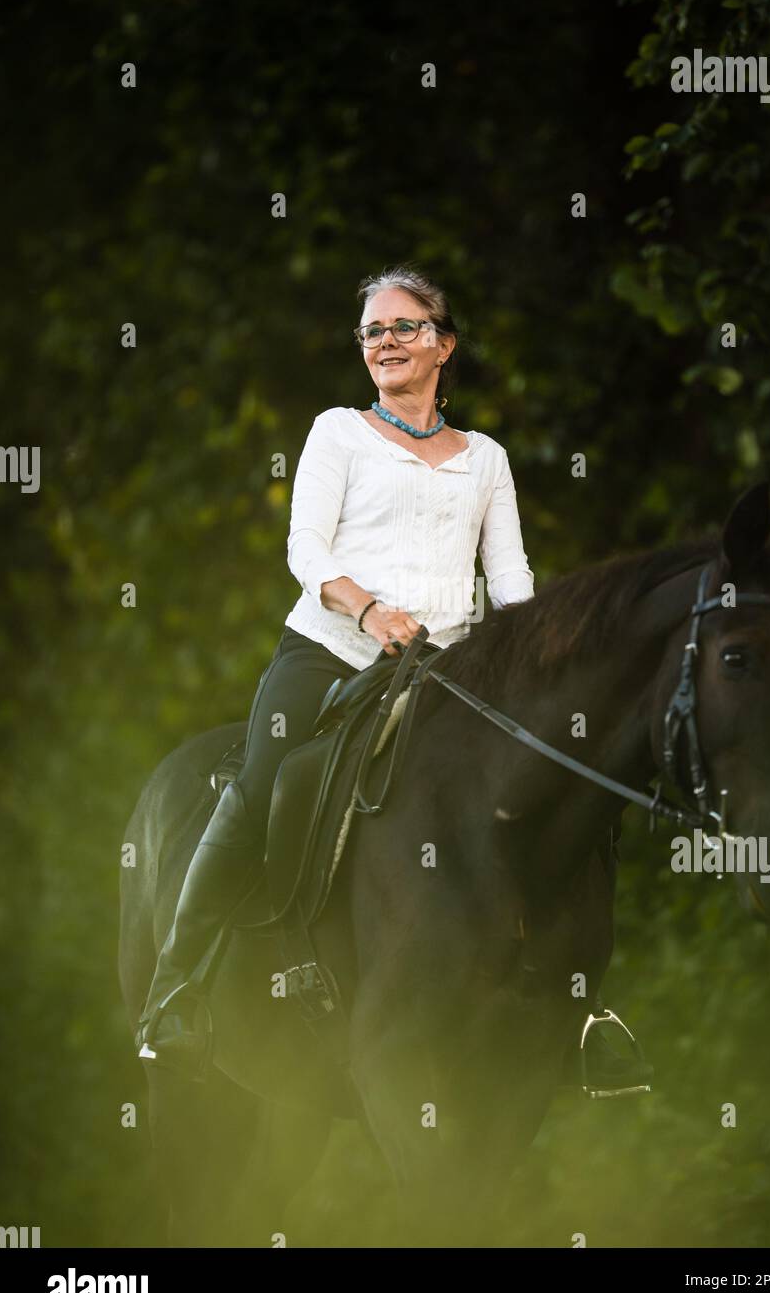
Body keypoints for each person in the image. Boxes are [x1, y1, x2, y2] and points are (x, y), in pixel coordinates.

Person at [135, 263, 535, 1075]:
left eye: (404, 327)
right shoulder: (338, 432)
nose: (385, 341)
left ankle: (571, 1003)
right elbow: (306, 550)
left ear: (443, 345)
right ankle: (173, 989)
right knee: (260, 783)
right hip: (334, 649)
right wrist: (371, 611)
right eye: (372, 332)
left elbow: (514, 581)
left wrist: (530, 659)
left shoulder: (485, 459)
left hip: (447, 670)